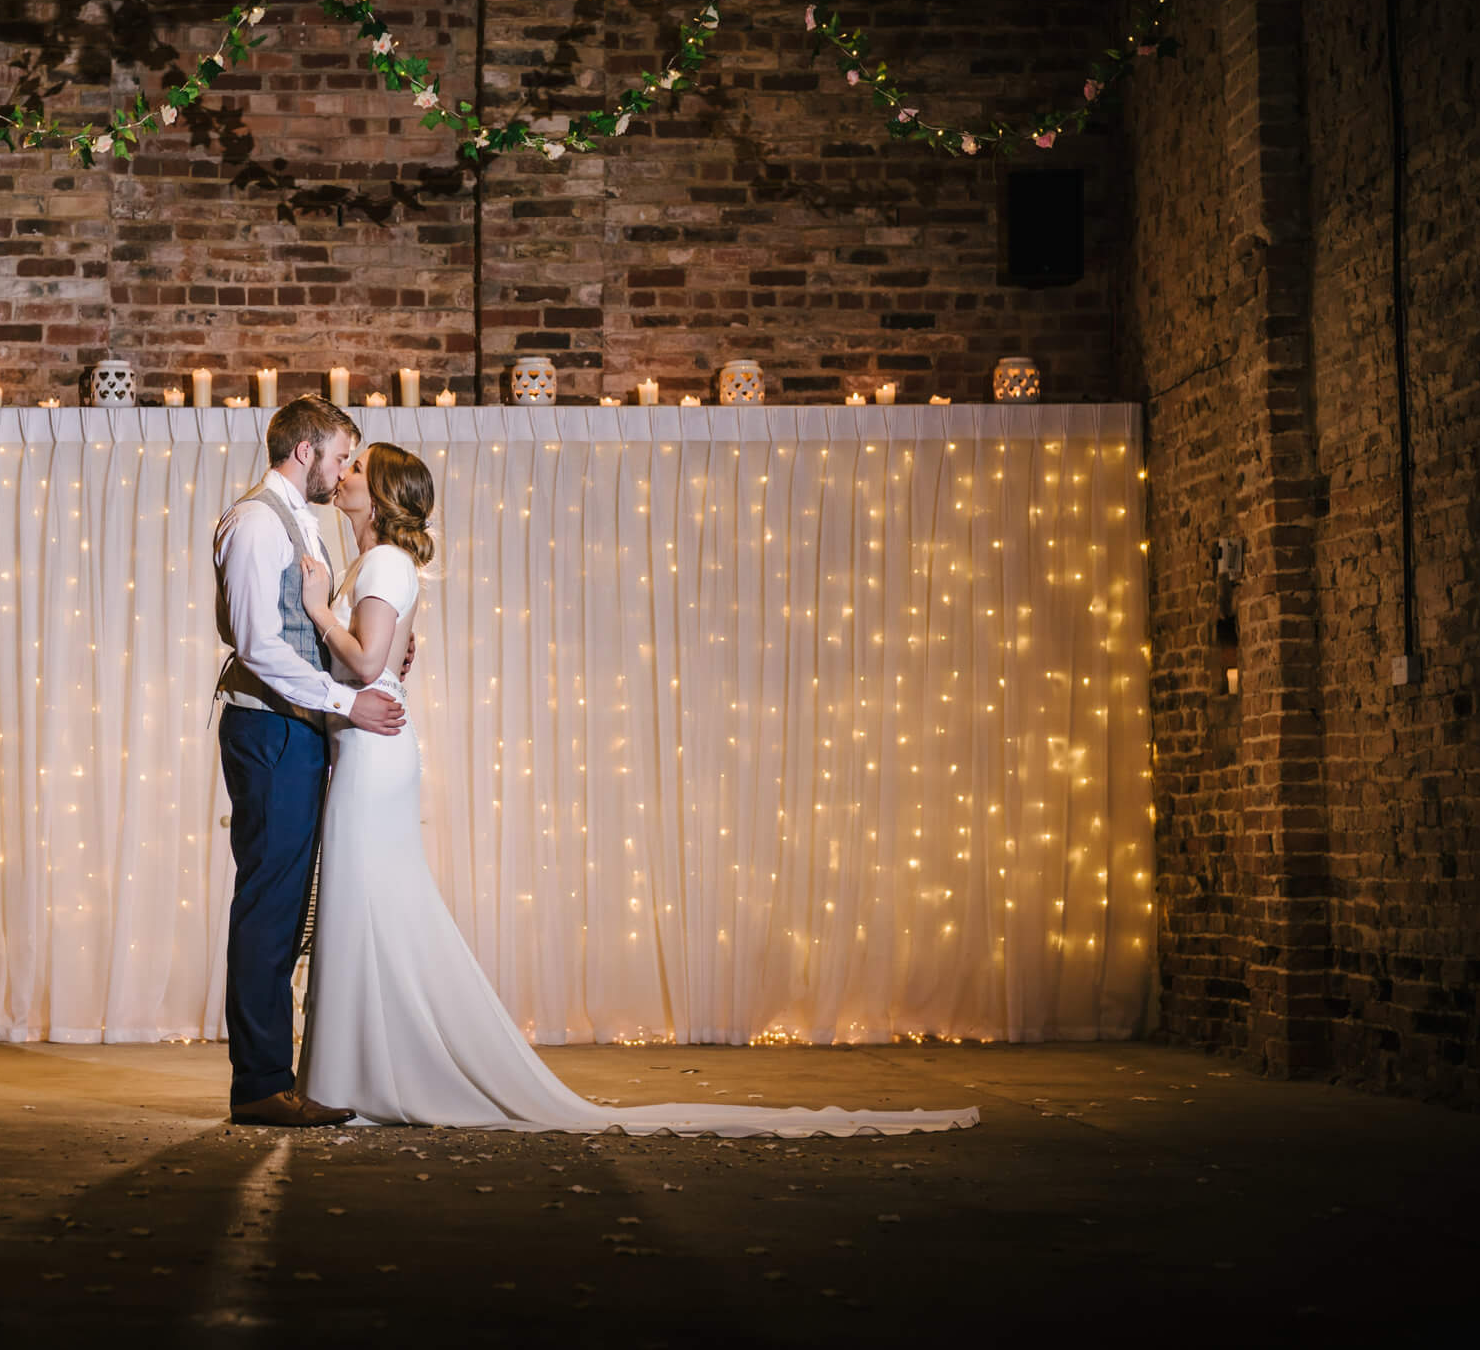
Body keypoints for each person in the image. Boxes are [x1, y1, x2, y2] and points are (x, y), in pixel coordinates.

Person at [292, 442, 981, 1138]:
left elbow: (369, 658)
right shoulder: (371, 561)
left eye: (356, 468)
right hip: (366, 745)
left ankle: (365, 1074)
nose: (343, 473)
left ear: (378, 495)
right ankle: (360, 1071)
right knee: (368, 904)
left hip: (372, 753)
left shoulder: (380, 562)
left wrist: (320, 611)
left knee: (372, 900)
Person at [211, 395, 401, 1126]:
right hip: (269, 730)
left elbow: (299, 626)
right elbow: (260, 643)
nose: (344, 467)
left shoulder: (299, 519)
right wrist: (346, 701)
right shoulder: (261, 521)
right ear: (306, 450)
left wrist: (368, 658)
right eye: (340, 453)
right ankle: (259, 1085)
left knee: (290, 907)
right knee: (269, 903)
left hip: (296, 727)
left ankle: (275, 1074)